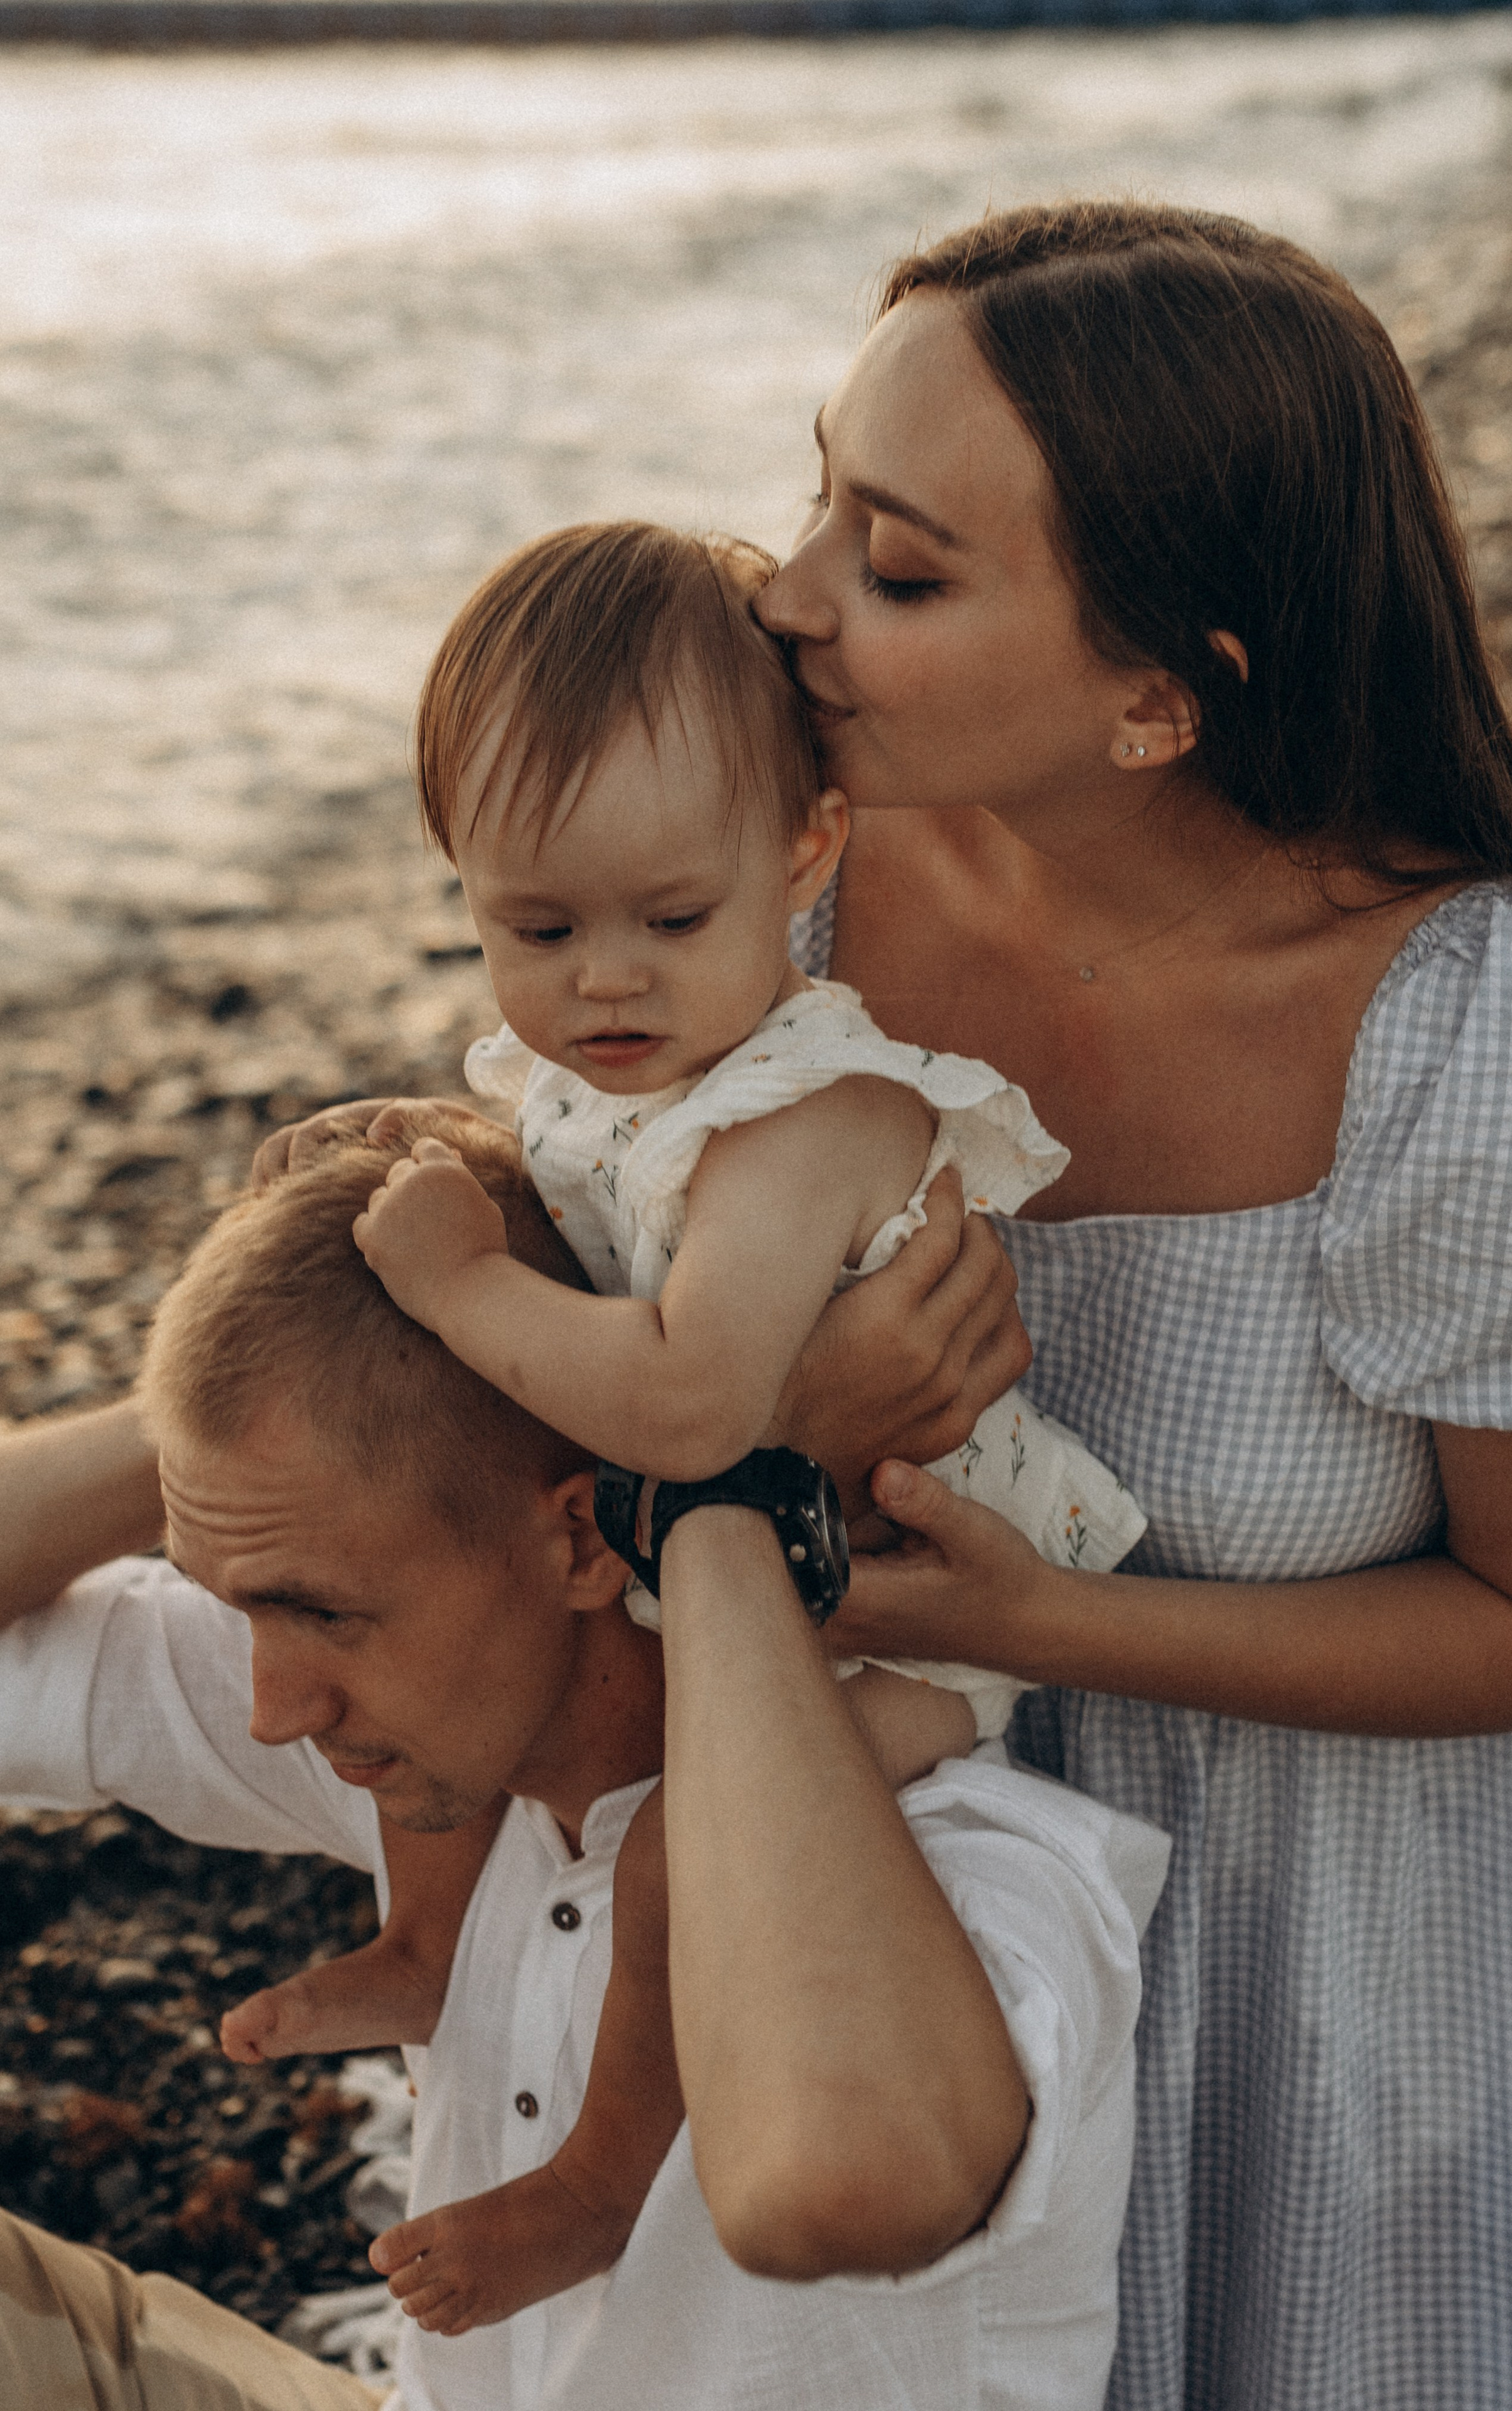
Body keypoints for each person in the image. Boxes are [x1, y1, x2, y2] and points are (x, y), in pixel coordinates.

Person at [271, 197, 1512, 2411]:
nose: (783, 591)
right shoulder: (790, 892)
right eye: (819, 494)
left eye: (902, 565)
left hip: (1340, 2020)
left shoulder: (1455, 1037)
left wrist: (1031, 1623)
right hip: (863, 1906)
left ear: (1163, 697)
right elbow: (596, 1234)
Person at [230, 517, 1149, 2330]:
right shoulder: (604, 1067)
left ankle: (598, 2174)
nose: (607, 988)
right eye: (536, 927)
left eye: (674, 919)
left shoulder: (813, 1114)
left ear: (806, 847)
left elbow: (697, 1399)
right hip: (727, 1562)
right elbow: (572, 1218)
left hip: (906, 1594)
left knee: (666, 1842)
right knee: (459, 1651)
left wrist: (456, 1291)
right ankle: (428, 1945)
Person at [0, 1116, 1169, 2411]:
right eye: (245, 1608)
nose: (274, 1706)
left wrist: (715, 1478)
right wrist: (269, 1366)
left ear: (579, 1541)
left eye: (321, 1611)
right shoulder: (464, 1764)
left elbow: (835, 2187)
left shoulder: (975, 1870)